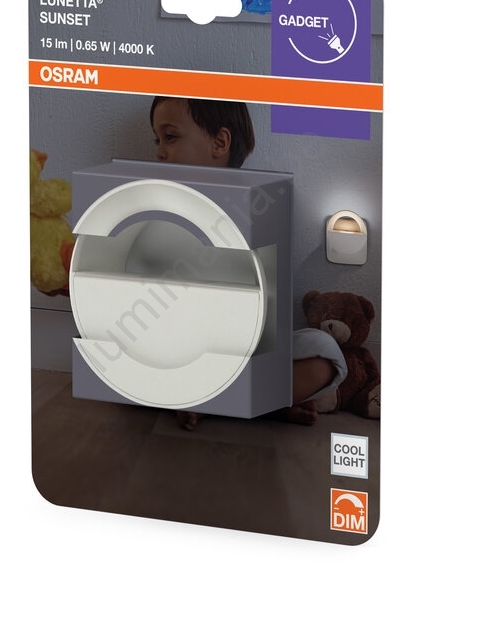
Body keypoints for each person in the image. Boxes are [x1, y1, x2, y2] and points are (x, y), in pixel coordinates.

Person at [149, 96, 347, 429]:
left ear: (220, 142)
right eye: (157, 140)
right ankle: (249, 402)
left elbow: (267, 305)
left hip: (244, 349)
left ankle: (228, 400)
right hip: (183, 349)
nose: (159, 151)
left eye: (170, 137)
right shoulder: (158, 203)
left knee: (324, 354)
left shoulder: (259, 204)